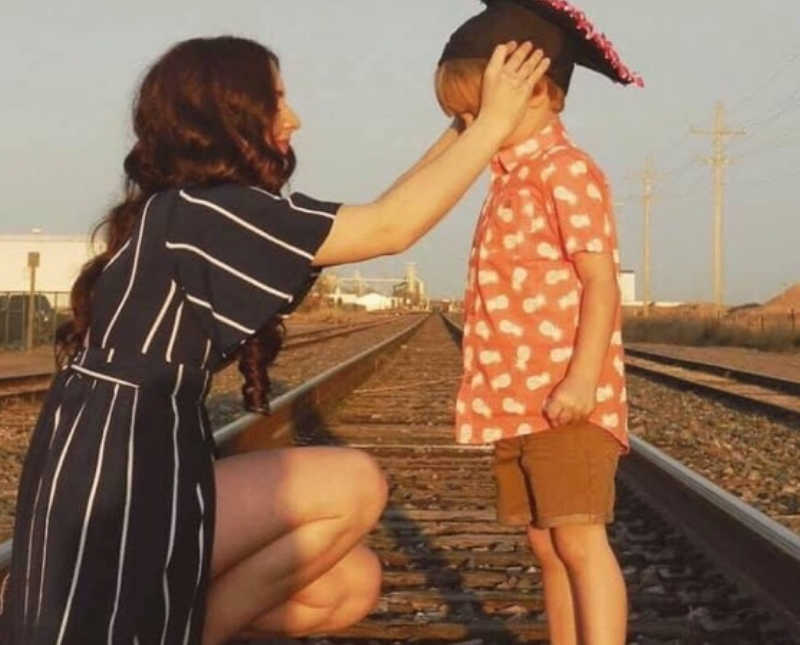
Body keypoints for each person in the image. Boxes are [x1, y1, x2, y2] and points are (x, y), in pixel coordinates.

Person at [0, 35, 550, 645]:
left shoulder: (191, 210)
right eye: (277, 100)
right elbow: (391, 226)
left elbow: (381, 210)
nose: (294, 118)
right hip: (121, 477)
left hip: (140, 454)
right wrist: (495, 121)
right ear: (227, 115)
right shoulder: (201, 214)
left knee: (349, 582)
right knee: (356, 484)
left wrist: (467, 125)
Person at [436, 1, 642, 643]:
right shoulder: (508, 178)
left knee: (580, 542)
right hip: (519, 404)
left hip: (566, 401)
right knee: (546, 546)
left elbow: (601, 283)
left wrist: (582, 380)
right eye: (462, 117)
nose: (469, 127)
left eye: (476, 111)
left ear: (536, 93)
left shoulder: (567, 172)